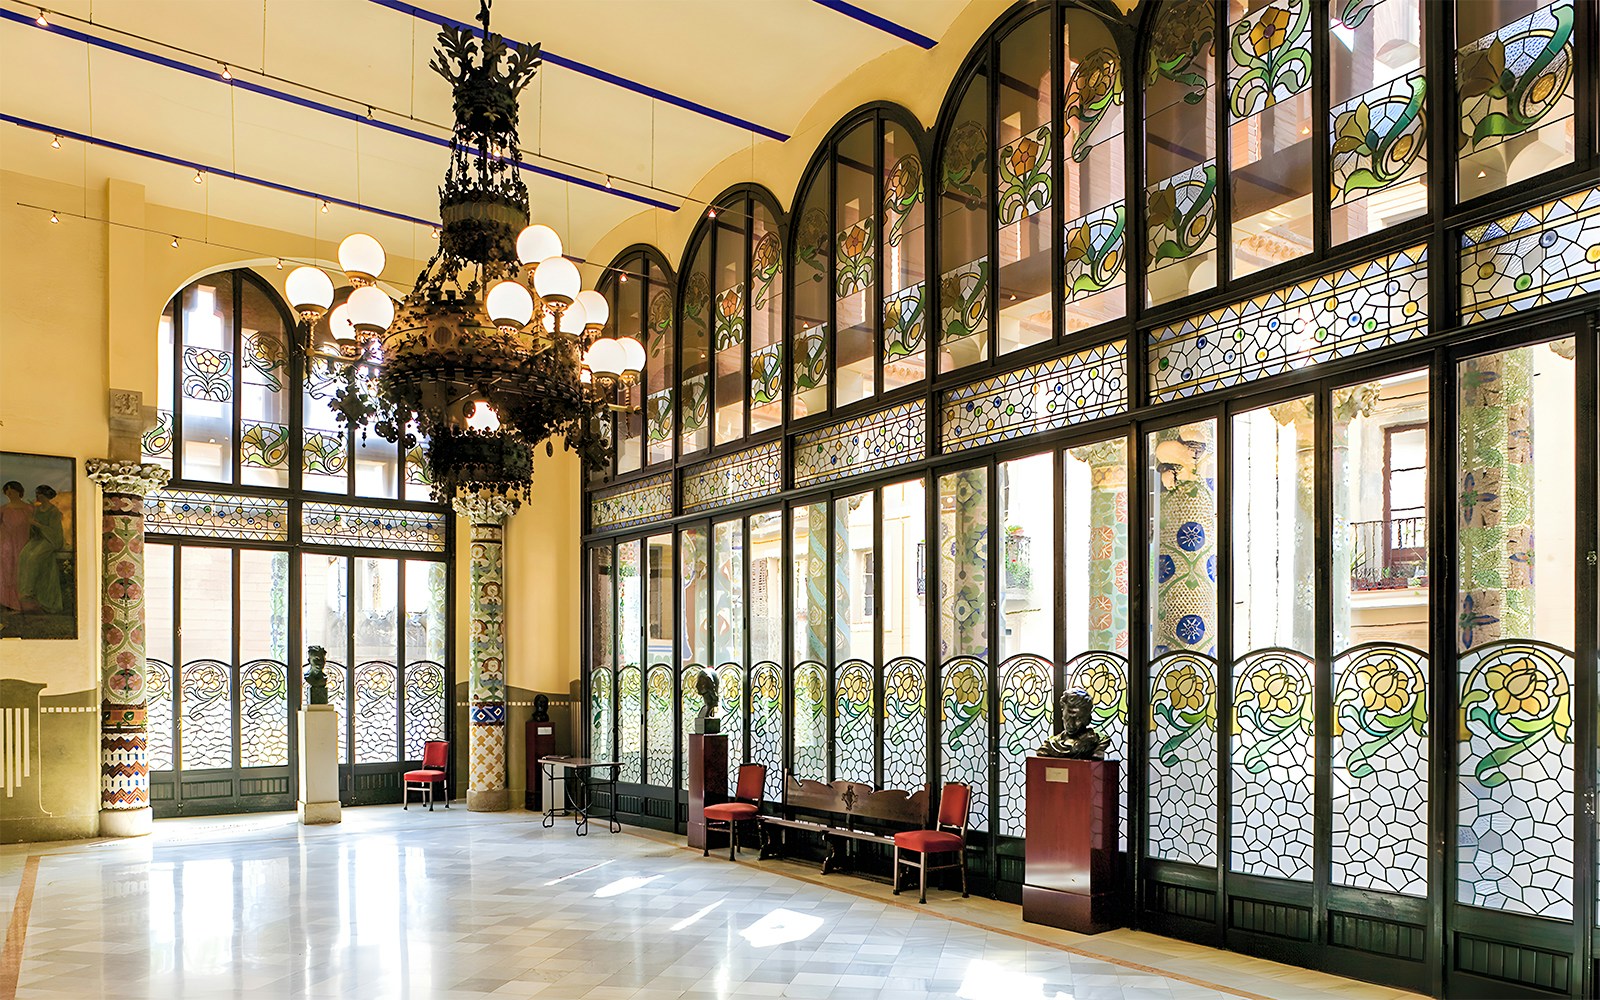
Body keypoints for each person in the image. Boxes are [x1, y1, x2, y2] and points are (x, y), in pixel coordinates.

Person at [18, 484, 65, 614]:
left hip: (51, 540)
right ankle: (24, 592)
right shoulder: (37, 510)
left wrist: (36, 523)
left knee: (34, 557)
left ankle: (29, 591)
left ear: (45, 496)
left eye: (39, 494)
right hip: (39, 538)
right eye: (37, 494)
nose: (37, 496)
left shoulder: (53, 511)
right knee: (23, 555)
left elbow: (54, 532)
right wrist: (31, 524)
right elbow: (35, 529)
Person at [0, 481, 32, 611]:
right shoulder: (3, 509)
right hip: (5, 543)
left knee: (19, 570)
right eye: (7, 490)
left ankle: (18, 603)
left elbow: (34, 527)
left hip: (22, 542)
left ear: (19, 491)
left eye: (12, 490)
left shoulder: (29, 508)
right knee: (6, 570)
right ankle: (6, 602)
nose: (9, 492)